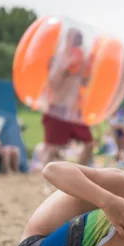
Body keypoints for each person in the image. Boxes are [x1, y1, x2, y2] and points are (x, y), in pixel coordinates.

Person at [41, 28, 94, 187]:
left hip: (73, 113)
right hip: (57, 109)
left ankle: (79, 177)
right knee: (51, 148)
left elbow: (84, 83)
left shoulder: (81, 59)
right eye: (76, 37)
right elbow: (53, 84)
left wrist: (84, 71)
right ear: (69, 39)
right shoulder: (59, 59)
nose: (79, 41)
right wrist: (68, 69)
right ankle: (47, 182)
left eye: (80, 38)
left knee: (89, 144)